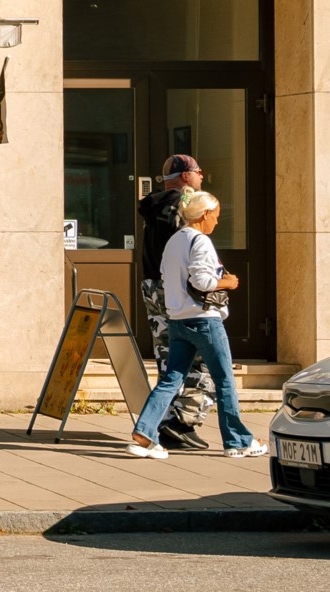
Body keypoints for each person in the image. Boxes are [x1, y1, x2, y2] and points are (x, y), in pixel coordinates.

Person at [127, 189, 264, 461]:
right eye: (216, 216)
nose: (217, 221)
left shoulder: (175, 240)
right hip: (204, 320)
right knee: (224, 380)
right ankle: (237, 441)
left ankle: (144, 433)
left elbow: (167, 277)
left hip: (177, 320)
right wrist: (228, 282)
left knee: (170, 380)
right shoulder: (200, 241)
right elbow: (202, 282)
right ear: (204, 215)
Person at [136, 154, 210, 450]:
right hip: (175, 291)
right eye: (199, 173)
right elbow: (187, 253)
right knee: (202, 358)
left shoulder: (155, 206)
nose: (202, 177)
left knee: (168, 357)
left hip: (153, 287)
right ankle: (182, 421)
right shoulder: (182, 207)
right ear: (185, 176)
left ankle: (164, 422)